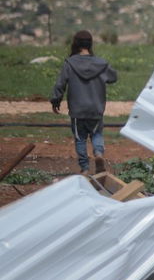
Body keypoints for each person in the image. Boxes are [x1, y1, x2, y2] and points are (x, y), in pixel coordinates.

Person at [49, 29, 118, 174]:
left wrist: (56, 100)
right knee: (97, 134)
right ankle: (98, 154)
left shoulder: (69, 63)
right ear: (90, 44)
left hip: (77, 110)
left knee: (80, 138)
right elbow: (113, 78)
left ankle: (85, 168)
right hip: (96, 108)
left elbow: (60, 84)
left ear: (75, 44)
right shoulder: (101, 64)